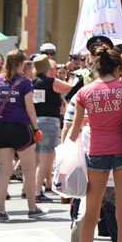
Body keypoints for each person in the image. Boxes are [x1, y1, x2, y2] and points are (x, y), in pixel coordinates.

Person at [66, 37, 122, 242]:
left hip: (95, 152)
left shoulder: (84, 93)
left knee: (90, 214)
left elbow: (74, 132)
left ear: (95, 68)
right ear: (118, 68)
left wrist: (63, 156)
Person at [0, 49, 45, 221]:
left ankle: (1, 210)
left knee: (4, 170)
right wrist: (35, 128)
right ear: (21, 64)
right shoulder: (25, 82)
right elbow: (30, 108)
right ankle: (32, 208)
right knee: (28, 170)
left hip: (2, 127)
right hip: (20, 127)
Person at [32, 54, 71, 201]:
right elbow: (69, 88)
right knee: (46, 159)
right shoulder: (51, 82)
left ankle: (32, 189)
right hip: (49, 122)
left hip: (35, 121)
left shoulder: (32, 82)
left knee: (37, 159)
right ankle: (37, 191)